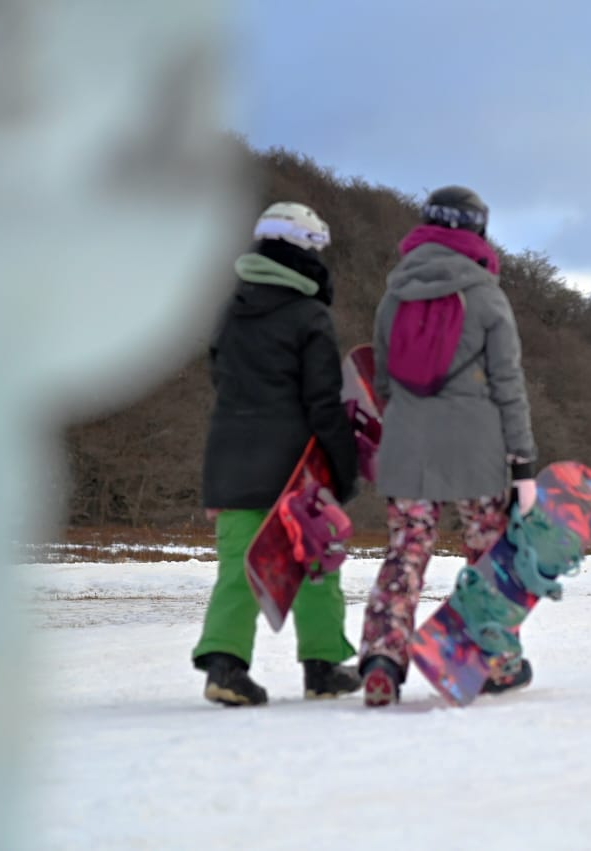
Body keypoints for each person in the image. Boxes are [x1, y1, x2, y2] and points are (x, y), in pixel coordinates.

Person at [359, 185, 538, 707]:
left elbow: (383, 380)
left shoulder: (395, 293)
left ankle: (381, 657)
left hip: (407, 443)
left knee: (406, 548)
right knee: (488, 552)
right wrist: (523, 462)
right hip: (476, 446)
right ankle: (497, 662)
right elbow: (509, 384)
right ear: (478, 230)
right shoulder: (487, 295)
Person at [191, 202, 361, 706]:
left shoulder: (229, 311)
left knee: (238, 570)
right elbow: (323, 402)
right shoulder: (309, 316)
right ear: (305, 251)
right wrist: (344, 467)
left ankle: (224, 668)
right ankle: (323, 668)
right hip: (295, 469)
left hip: (230, 461)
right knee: (316, 562)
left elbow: (221, 376)